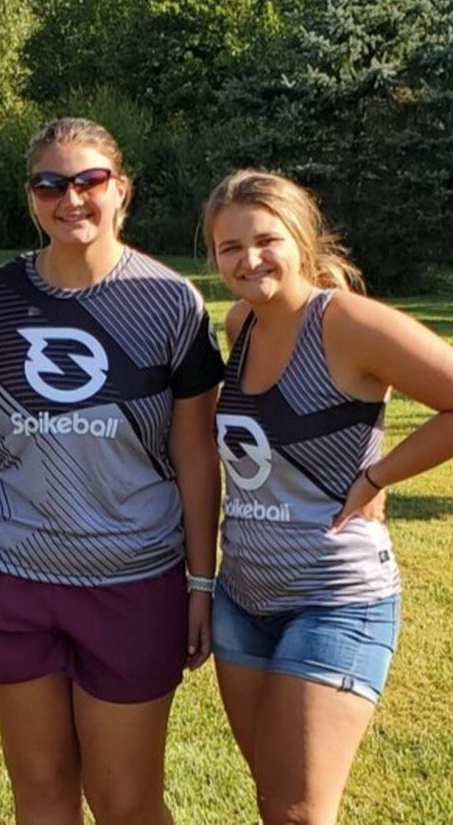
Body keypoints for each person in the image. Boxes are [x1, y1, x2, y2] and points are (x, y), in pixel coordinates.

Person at [0, 117, 225, 824]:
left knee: (125, 801)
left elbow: (196, 454)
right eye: (49, 184)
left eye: (88, 181)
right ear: (31, 196)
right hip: (8, 572)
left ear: (121, 189)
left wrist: (201, 582)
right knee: (41, 789)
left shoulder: (172, 302)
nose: (70, 198)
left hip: (132, 578)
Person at [203, 169, 453, 825]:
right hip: (243, 600)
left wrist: (377, 477)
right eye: (231, 247)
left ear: (301, 239)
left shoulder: (346, 323)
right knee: (273, 801)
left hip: (335, 600)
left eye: (266, 240)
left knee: (300, 813)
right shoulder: (241, 324)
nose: (250, 259)